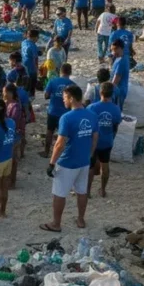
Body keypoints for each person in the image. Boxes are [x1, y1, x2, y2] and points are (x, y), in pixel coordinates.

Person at [41, 84, 98, 231]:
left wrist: (52, 163)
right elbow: (95, 137)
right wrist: (90, 155)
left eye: (65, 98)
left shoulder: (66, 118)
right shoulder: (91, 115)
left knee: (59, 193)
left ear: (72, 98)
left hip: (67, 162)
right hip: (84, 161)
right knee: (81, 191)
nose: (63, 101)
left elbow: (60, 144)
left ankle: (56, 223)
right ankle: (80, 219)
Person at [87, 82, 121, 198]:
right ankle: (103, 190)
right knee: (105, 166)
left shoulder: (92, 108)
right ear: (112, 94)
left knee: (90, 166)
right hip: (107, 141)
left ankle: (87, 191)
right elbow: (116, 125)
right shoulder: (116, 109)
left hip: (93, 142)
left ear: (100, 92)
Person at [42, 63, 73, 157]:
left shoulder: (53, 81)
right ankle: (60, 154)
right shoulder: (72, 85)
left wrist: (53, 94)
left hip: (53, 111)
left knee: (49, 131)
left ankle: (46, 152)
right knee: (62, 135)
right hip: (65, 114)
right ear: (70, 72)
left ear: (60, 71)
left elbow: (46, 96)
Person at [4, 83, 27, 189]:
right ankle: (9, 180)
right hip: (10, 135)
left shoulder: (15, 106)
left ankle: (12, 182)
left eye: (5, 92)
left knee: (13, 160)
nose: (3, 94)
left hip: (15, 136)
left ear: (10, 93)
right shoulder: (7, 104)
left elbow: (14, 122)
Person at [109, 40, 130, 109]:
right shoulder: (120, 58)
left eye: (115, 49)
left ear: (121, 48)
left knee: (116, 109)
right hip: (121, 88)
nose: (113, 52)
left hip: (119, 91)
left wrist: (108, 91)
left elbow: (116, 80)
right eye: (112, 50)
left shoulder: (121, 62)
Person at [21, 29, 40, 98]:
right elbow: (35, 59)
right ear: (34, 37)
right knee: (32, 86)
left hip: (23, 66)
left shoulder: (23, 42)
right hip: (31, 68)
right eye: (38, 37)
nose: (38, 39)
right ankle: (30, 100)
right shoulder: (33, 46)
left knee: (24, 85)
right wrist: (37, 69)